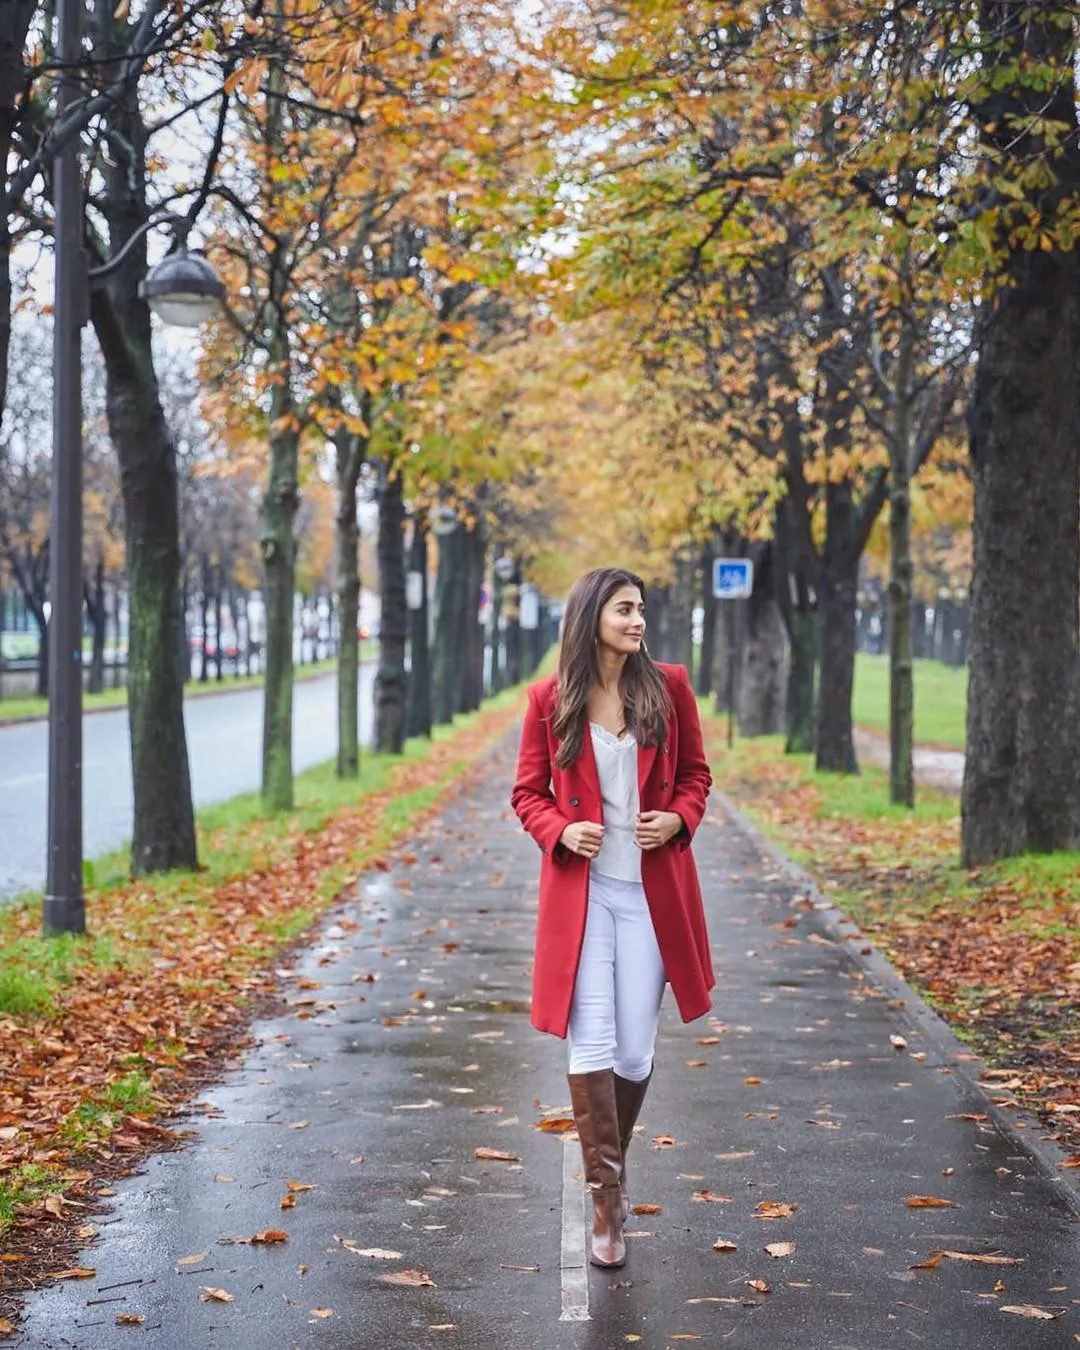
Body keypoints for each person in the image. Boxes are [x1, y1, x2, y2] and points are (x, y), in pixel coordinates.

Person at [510, 565, 714, 1269]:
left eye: (643, 610)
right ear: (594, 613)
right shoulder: (548, 700)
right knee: (591, 1039)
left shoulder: (669, 688)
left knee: (634, 1053)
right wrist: (559, 832)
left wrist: (678, 818)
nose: (638, 621)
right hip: (586, 896)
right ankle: (607, 1205)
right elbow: (527, 794)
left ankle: (607, 1168)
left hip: (652, 896)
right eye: (626, 609)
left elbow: (698, 777)